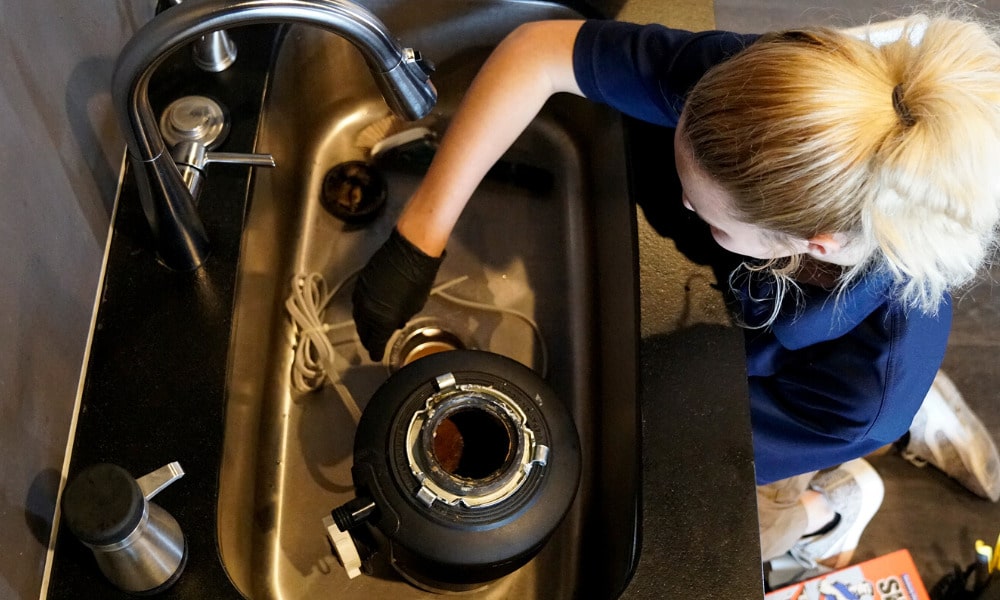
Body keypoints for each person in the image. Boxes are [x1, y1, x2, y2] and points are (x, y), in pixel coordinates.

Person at [351, 12, 1000, 577]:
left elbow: (684, 448)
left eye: (711, 215)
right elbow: (540, 52)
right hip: (777, 293)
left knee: (747, 520)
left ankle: (834, 507)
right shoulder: (759, 100)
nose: (682, 200)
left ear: (812, 244)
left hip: (801, 403)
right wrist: (420, 236)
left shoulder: (857, 397)